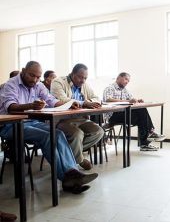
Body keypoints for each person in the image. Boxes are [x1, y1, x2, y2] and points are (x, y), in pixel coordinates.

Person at [0, 61, 98, 194]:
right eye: (32, 75)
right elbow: (10, 107)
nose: (35, 80)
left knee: (57, 133)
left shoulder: (38, 85)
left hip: (31, 122)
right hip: (11, 125)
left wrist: (73, 103)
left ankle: (73, 173)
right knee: (47, 136)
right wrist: (30, 106)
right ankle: (68, 179)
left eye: (38, 77)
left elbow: (51, 100)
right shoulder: (11, 84)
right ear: (23, 71)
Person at [51, 63, 104, 170]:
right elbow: (63, 100)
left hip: (80, 118)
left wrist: (89, 101)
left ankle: (69, 153)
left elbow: (96, 98)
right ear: (72, 74)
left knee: (99, 131)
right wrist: (84, 103)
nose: (83, 80)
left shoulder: (84, 84)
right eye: (80, 77)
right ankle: (79, 160)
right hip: (61, 120)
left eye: (85, 78)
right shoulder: (58, 82)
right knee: (77, 134)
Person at [103, 72, 165, 151]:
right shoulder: (110, 88)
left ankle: (144, 144)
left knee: (142, 116)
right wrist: (128, 101)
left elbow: (131, 99)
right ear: (118, 78)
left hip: (124, 113)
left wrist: (137, 100)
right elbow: (108, 100)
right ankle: (150, 133)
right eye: (126, 79)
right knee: (142, 114)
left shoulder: (125, 90)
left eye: (128, 81)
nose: (127, 82)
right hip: (113, 116)